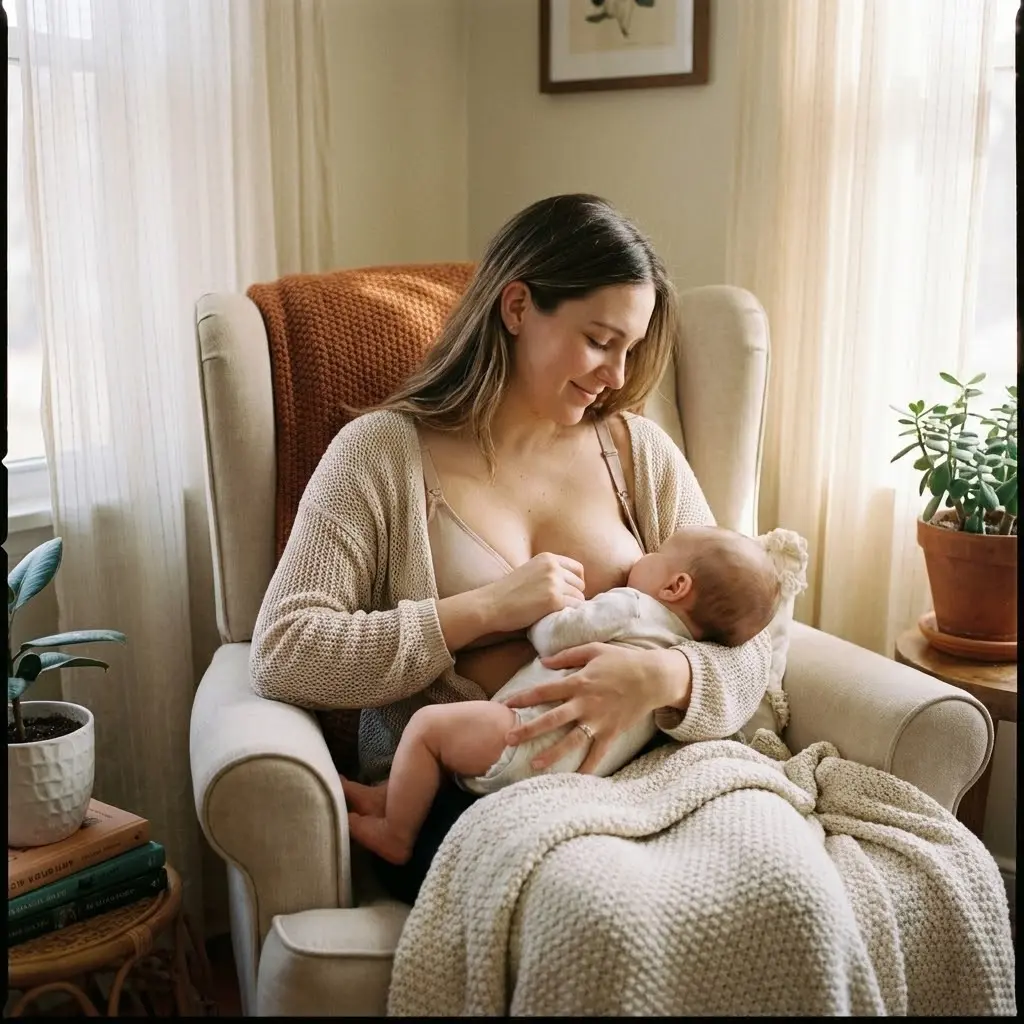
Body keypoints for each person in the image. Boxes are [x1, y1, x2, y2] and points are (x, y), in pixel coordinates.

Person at [250, 192, 774, 908]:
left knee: (775, 890)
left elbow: (758, 640)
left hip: (648, 777)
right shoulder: (379, 456)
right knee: (600, 912)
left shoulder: (638, 452)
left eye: (631, 349)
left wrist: (665, 680)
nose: (618, 378)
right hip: (472, 794)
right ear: (519, 307)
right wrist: (482, 609)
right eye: (599, 340)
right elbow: (284, 652)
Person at [341, 524, 781, 866]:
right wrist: (488, 604)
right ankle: (390, 799)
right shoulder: (676, 636)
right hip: (571, 781)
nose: (645, 553)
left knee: (429, 728)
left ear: (675, 587)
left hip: (519, 738)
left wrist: (534, 607)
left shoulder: (630, 605)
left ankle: (395, 835)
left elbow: (555, 637)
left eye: (657, 552)